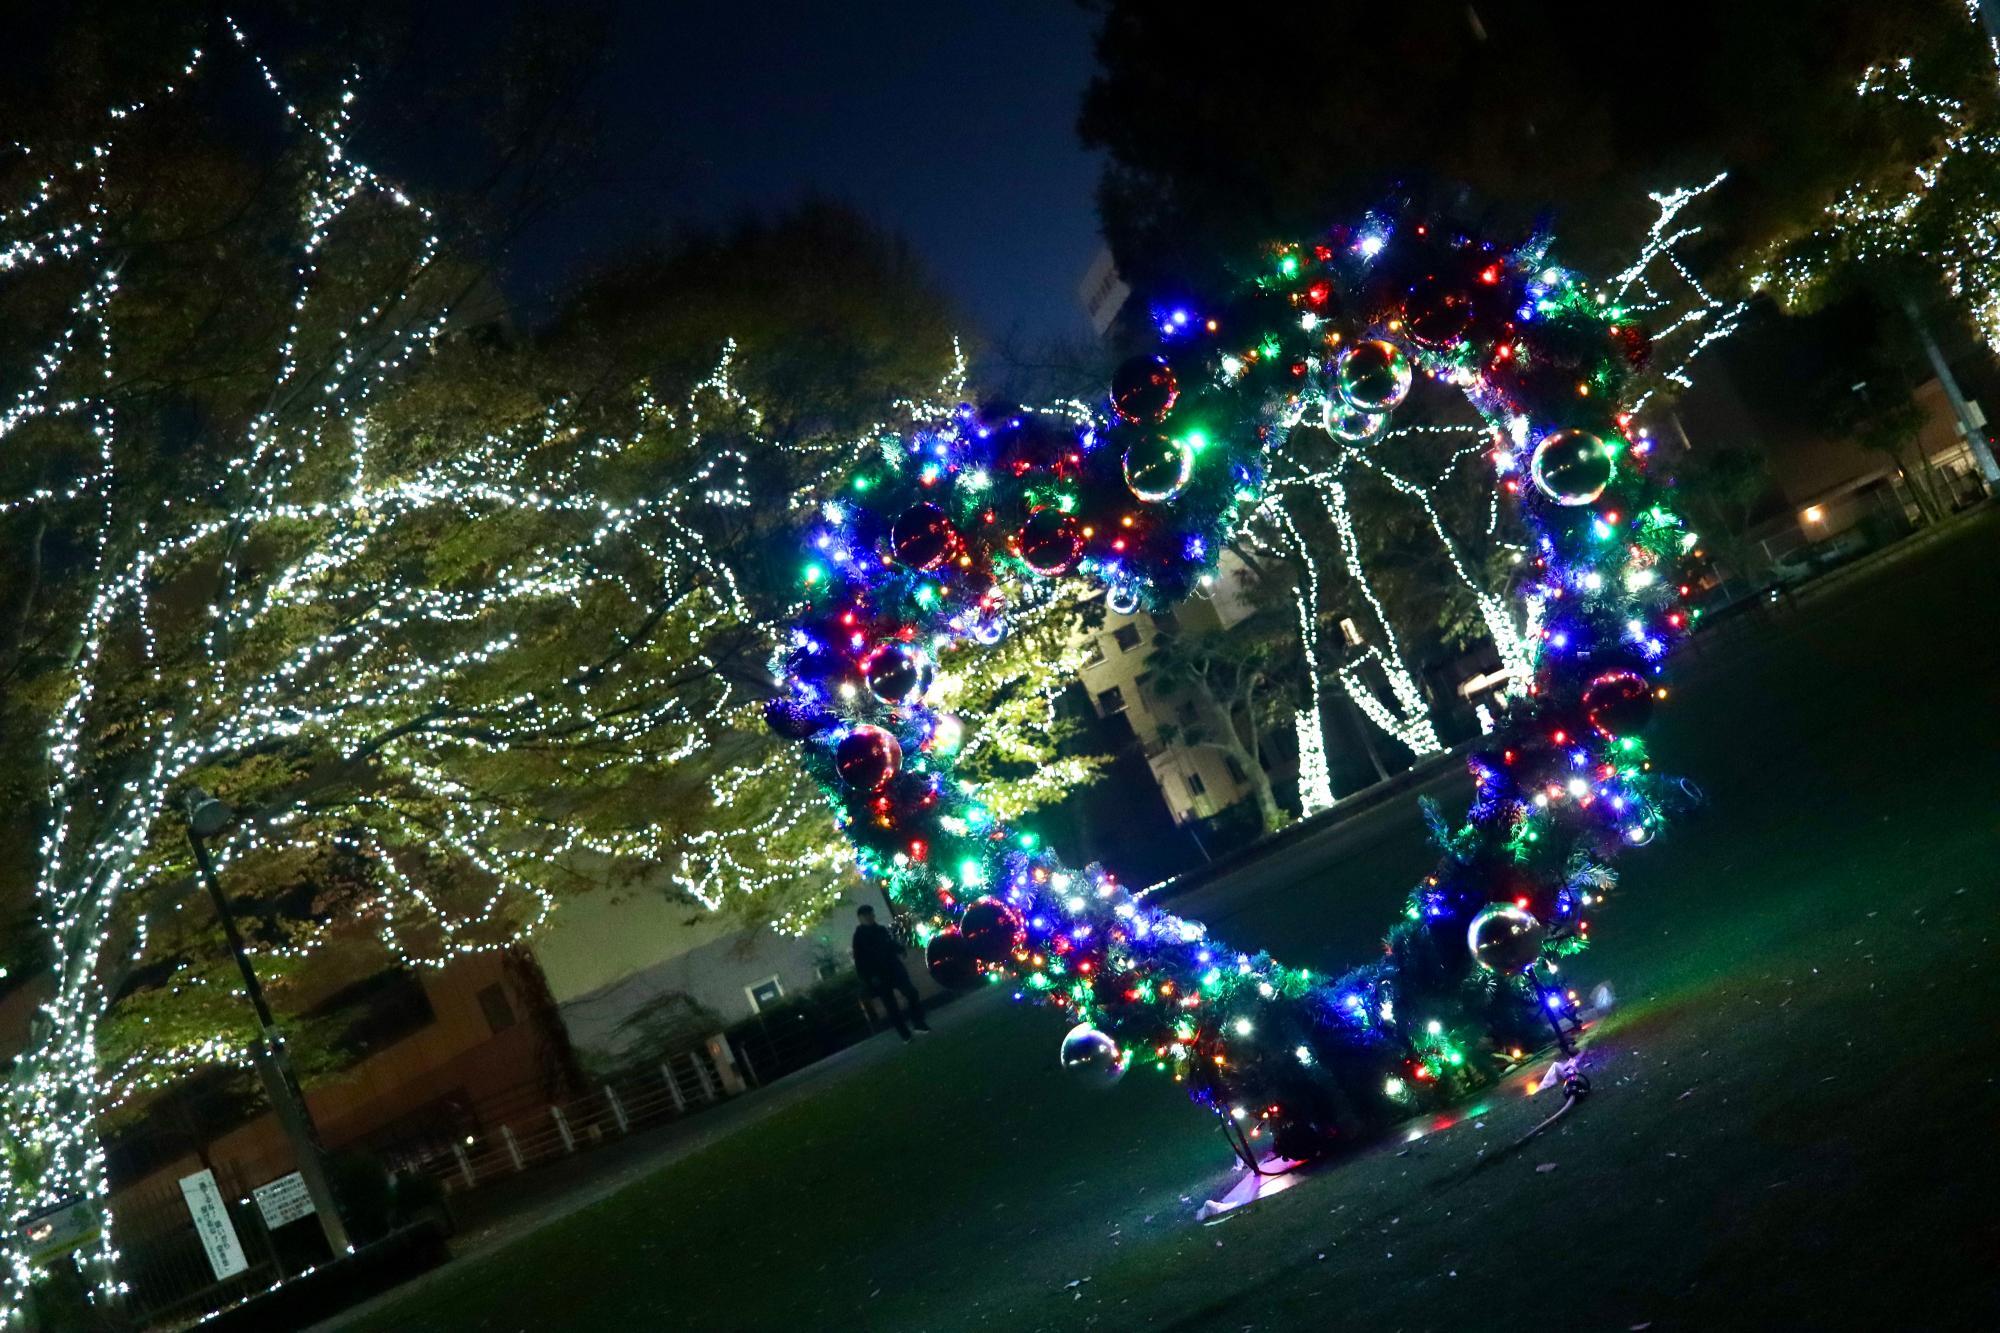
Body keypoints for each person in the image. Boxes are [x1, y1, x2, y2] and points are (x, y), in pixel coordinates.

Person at [852, 904, 931, 1042]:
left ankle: (916, 1024)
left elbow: (889, 944)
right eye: (867, 916)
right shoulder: (860, 937)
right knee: (892, 1005)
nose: (870, 918)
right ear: (861, 918)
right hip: (880, 975)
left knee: (910, 993)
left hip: (893, 969)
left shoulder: (879, 930)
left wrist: (900, 949)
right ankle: (907, 1031)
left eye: (870, 915)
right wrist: (869, 977)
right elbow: (860, 960)